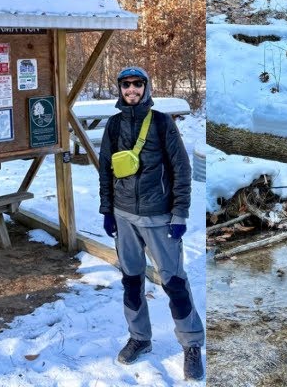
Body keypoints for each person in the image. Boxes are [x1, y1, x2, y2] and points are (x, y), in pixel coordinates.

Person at [98, 66, 204, 380]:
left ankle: (192, 344)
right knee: (131, 282)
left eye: (137, 85)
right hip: (124, 216)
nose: (131, 90)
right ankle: (140, 338)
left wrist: (179, 214)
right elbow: (106, 170)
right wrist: (107, 211)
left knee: (174, 283)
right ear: (120, 89)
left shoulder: (161, 124)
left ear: (147, 87)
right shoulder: (114, 125)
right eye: (126, 85)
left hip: (159, 217)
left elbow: (182, 170)